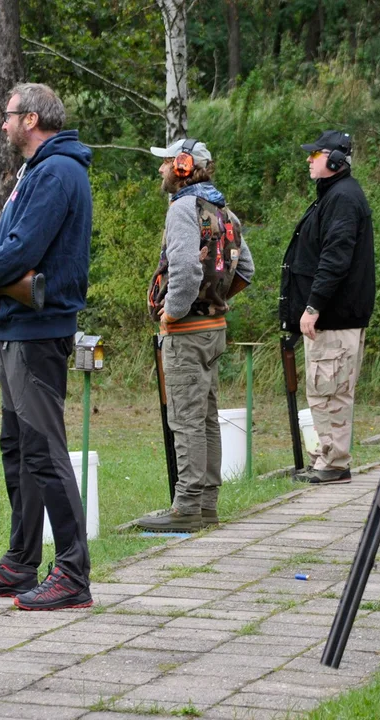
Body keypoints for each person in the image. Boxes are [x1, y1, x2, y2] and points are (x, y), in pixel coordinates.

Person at [0, 83, 94, 611]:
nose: (2, 125)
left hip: (36, 330)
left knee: (45, 450)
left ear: (31, 119)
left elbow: (21, 252)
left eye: (8, 116)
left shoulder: (56, 172)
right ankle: (20, 562)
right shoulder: (40, 170)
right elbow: (15, 248)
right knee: (20, 448)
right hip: (18, 328)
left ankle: (73, 573)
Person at [131, 138, 254, 532]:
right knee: (205, 418)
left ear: (184, 166)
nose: (161, 169)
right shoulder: (224, 210)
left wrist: (174, 312)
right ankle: (207, 506)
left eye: (166, 162)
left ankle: (186, 506)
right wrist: (216, 300)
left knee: (185, 419)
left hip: (187, 333)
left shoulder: (184, 209)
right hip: (214, 331)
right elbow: (246, 270)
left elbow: (184, 269)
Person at [279, 130, 375, 483]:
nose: (309, 159)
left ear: (335, 160)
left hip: (334, 318)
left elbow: (336, 256)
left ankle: (334, 462)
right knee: (326, 389)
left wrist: (314, 304)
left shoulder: (343, 199)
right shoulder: (335, 196)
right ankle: (328, 455)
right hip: (333, 318)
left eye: (315, 154)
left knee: (329, 391)